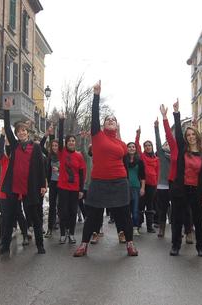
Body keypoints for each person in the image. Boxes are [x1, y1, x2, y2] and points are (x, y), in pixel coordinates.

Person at [74, 81, 138, 257]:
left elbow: (126, 163)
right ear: (102, 125)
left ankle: (130, 244)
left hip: (119, 183)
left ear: (117, 126)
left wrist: (127, 181)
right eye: (107, 120)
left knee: (124, 215)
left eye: (113, 120)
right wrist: (96, 95)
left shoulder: (122, 145)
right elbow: (94, 117)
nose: (110, 121)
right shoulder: (97, 136)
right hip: (99, 182)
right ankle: (84, 244)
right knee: (93, 215)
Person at [161, 101, 202, 257]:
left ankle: (201, 247)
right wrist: (175, 113)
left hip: (196, 191)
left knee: (198, 221)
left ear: (197, 136)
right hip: (180, 189)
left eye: (193, 134)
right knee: (177, 219)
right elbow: (173, 135)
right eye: (188, 135)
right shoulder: (182, 150)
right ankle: (175, 245)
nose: (190, 137)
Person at [0, 98, 47, 255]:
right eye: (19, 131)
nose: (21, 133)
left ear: (28, 133)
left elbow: (41, 168)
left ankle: (40, 245)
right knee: (9, 217)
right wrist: (7, 110)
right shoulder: (14, 145)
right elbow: (7, 128)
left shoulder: (35, 147)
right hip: (14, 186)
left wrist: (42, 185)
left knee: (34, 217)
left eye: (23, 131)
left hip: (30, 188)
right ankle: (5, 246)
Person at [57, 114, 86, 244]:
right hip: (63, 187)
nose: (71, 142)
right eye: (69, 141)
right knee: (63, 211)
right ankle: (63, 233)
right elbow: (59, 137)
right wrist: (61, 121)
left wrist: (81, 190)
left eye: (73, 141)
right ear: (66, 142)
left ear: (76, 143)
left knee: (73, 211)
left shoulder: (79, 156)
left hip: (75, 189)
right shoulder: (62, 152)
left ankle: (72, 234)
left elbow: (82, 174)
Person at [135, 126, 159, 233]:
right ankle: (139, 224)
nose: (148, 147)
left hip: (153, 185)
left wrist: (157, 185)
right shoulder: (142, 156)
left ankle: (150, 226)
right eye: (146, 146)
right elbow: (136, 146)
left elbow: (158, 172)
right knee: (141, 205)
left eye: (149, 145)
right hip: (143, 185)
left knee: (150, 206)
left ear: (152, 147)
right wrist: (138, 135)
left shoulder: (156, 159)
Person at [40, 125, 59, 238]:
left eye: (56, 145)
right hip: (52, 183)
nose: (55, 147)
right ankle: (50, 229)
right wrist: (47, 134)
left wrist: (60, 169)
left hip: (62, 183)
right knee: (52, 206)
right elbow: (41, 146)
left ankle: (64, 228)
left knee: (61, 206)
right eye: (53, 146)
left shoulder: (62, 156)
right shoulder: (49, 155)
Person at [154, 118, 172, 238]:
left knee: (175, 208)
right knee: (162, 208)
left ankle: (176, 227)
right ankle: (161, 228)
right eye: (165, 144)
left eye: (169, 144)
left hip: (174, 185)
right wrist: (156, 129)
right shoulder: (160, 154)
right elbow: (157, 141)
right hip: (162, 186)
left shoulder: (176, 156)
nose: (167, 145)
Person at [124, 142, 146, 236]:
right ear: (127, 149)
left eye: (133, 147)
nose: (131, 148)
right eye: (129, 147)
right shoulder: (124, 160)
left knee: (135, 209)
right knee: (126, 209)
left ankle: (135, 228)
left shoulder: (140, 161)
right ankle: (126, 228)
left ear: (135, 149)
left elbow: (143, 176)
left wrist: (142, 188)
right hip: (125, 187)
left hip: (136, 188)